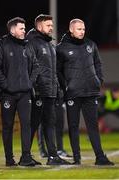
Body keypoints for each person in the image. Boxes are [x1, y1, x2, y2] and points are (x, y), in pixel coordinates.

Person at [56, 18, 114, 165]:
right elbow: (57, 71)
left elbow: (98, 64)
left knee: (93, 125)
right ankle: (77, 158)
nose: (82, 31)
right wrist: (66, 86)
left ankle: (100, 157)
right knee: (73, 126)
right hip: (73, 93)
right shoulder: (61, 48)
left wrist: (98, 81)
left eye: (83, 29)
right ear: (71, 30)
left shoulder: (90, 44)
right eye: (79, 29)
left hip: (90, 92)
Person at [0, 17, 41, 167]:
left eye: (24, 28)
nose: (24, 30)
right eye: (21, 28)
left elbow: (36, 66)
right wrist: (6, 85)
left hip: (25, 93)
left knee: (27, 125)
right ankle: (9, 159)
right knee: (8, 126)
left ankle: (26, 157)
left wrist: (30, 83)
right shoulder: (1, 45)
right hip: (8, 94)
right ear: (12, 30)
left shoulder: (28, 46)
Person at [26, 14, 71, 165]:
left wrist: (57, 88)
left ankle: (53, 156)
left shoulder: (49, 45)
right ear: (39, 26)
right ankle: (25, 156)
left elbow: (52, 71)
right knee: (32, 125)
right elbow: (30, 67)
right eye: (48, 25)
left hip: (50, 91)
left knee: (50, 123)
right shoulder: (32, 43)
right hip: (38, 92)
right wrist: (34, 88)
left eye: (52, 25)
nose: (51, 28)